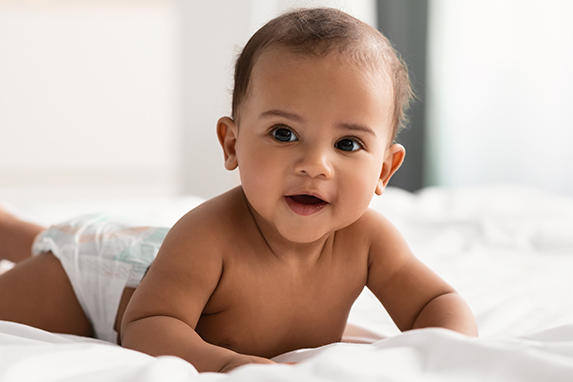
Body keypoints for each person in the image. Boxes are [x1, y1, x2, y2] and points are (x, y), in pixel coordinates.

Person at [0, 7, 478, 373]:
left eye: (348, 143)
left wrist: (449, 354)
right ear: (232, 144)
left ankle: (16, 227)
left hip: (149, 252)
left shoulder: (371, 241)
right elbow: (146, 325)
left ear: (384, 169)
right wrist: (226, 364)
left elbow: (435, 303)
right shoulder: (209, 234)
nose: (315, 164)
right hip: (101, 282)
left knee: (54, 235)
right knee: (45, 270)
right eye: (284, 134)